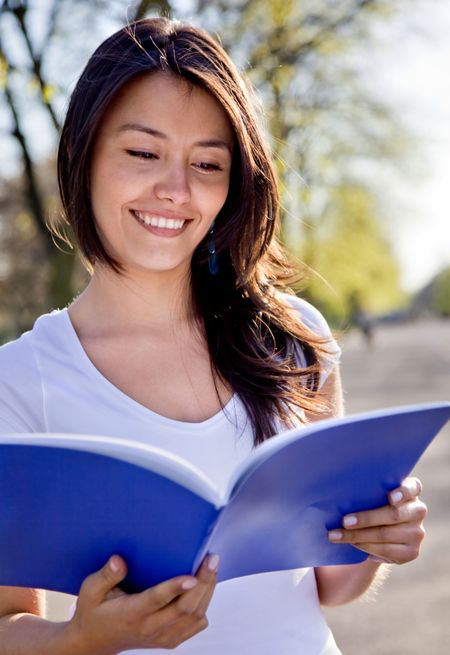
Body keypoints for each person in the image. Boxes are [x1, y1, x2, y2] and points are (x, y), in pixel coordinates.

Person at [0, 17, 427, 655]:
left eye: (207, 163)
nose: (175, 191)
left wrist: (375, 539)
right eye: (143, 153)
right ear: (82, 157)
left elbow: (326, 586)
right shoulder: (20, 380)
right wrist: (81, 638)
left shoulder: (293, 336)